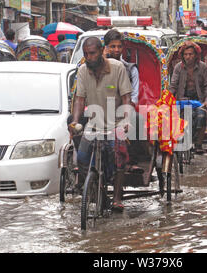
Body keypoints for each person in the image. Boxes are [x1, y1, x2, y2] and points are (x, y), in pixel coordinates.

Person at [69, 37, 132, 212]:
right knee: (81, 158)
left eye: (92, 53)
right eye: (86, 54)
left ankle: (117, 197)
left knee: (120, 157)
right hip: (93, 124)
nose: (89, 57)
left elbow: (126, 97)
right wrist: (75, 121)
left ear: (101, 50)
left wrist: (126, 120)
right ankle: (98, 192)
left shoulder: (117, 68)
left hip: (116, 123)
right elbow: (80, 100)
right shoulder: (83, 71)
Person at [103, 29, 143, 173]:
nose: (116, 50)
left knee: (137, 119)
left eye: (119, 46)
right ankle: (82, 161)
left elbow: (134, 96)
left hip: (123, 109)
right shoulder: (96, 66)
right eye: (112, 46)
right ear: (106, 47)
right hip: (100, 108)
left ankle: (132, 160)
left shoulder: (131, 69)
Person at [168, 41, 207, 154]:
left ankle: (198, 144)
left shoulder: (203, 67)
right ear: (183, 56)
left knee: (201, 115)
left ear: (195, 55)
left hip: (199, 100)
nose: (188, 57)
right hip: (182, 100)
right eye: (186, 54)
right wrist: (167, 98)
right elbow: (173, 85)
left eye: (191, 54)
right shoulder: (178, 67)